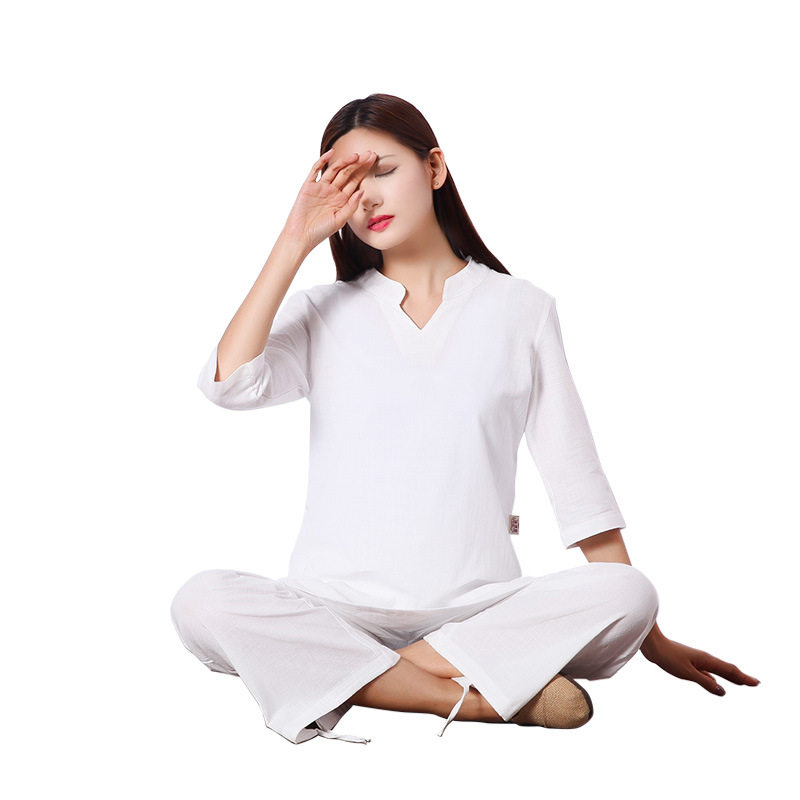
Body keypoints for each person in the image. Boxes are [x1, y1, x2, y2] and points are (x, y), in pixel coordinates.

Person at [170, 93, 760, 745]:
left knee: (629, 592)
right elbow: (229, 385)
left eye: (383, 171)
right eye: (347, 184)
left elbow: (578, 486)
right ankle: (471, 699)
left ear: (435, 168)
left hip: (480, 612)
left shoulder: (520, 309)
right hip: (333, 606)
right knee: (201, 601)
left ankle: (349, 676)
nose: (367, 198)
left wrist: (650, 636)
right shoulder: (322, 311)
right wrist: (294, 240)